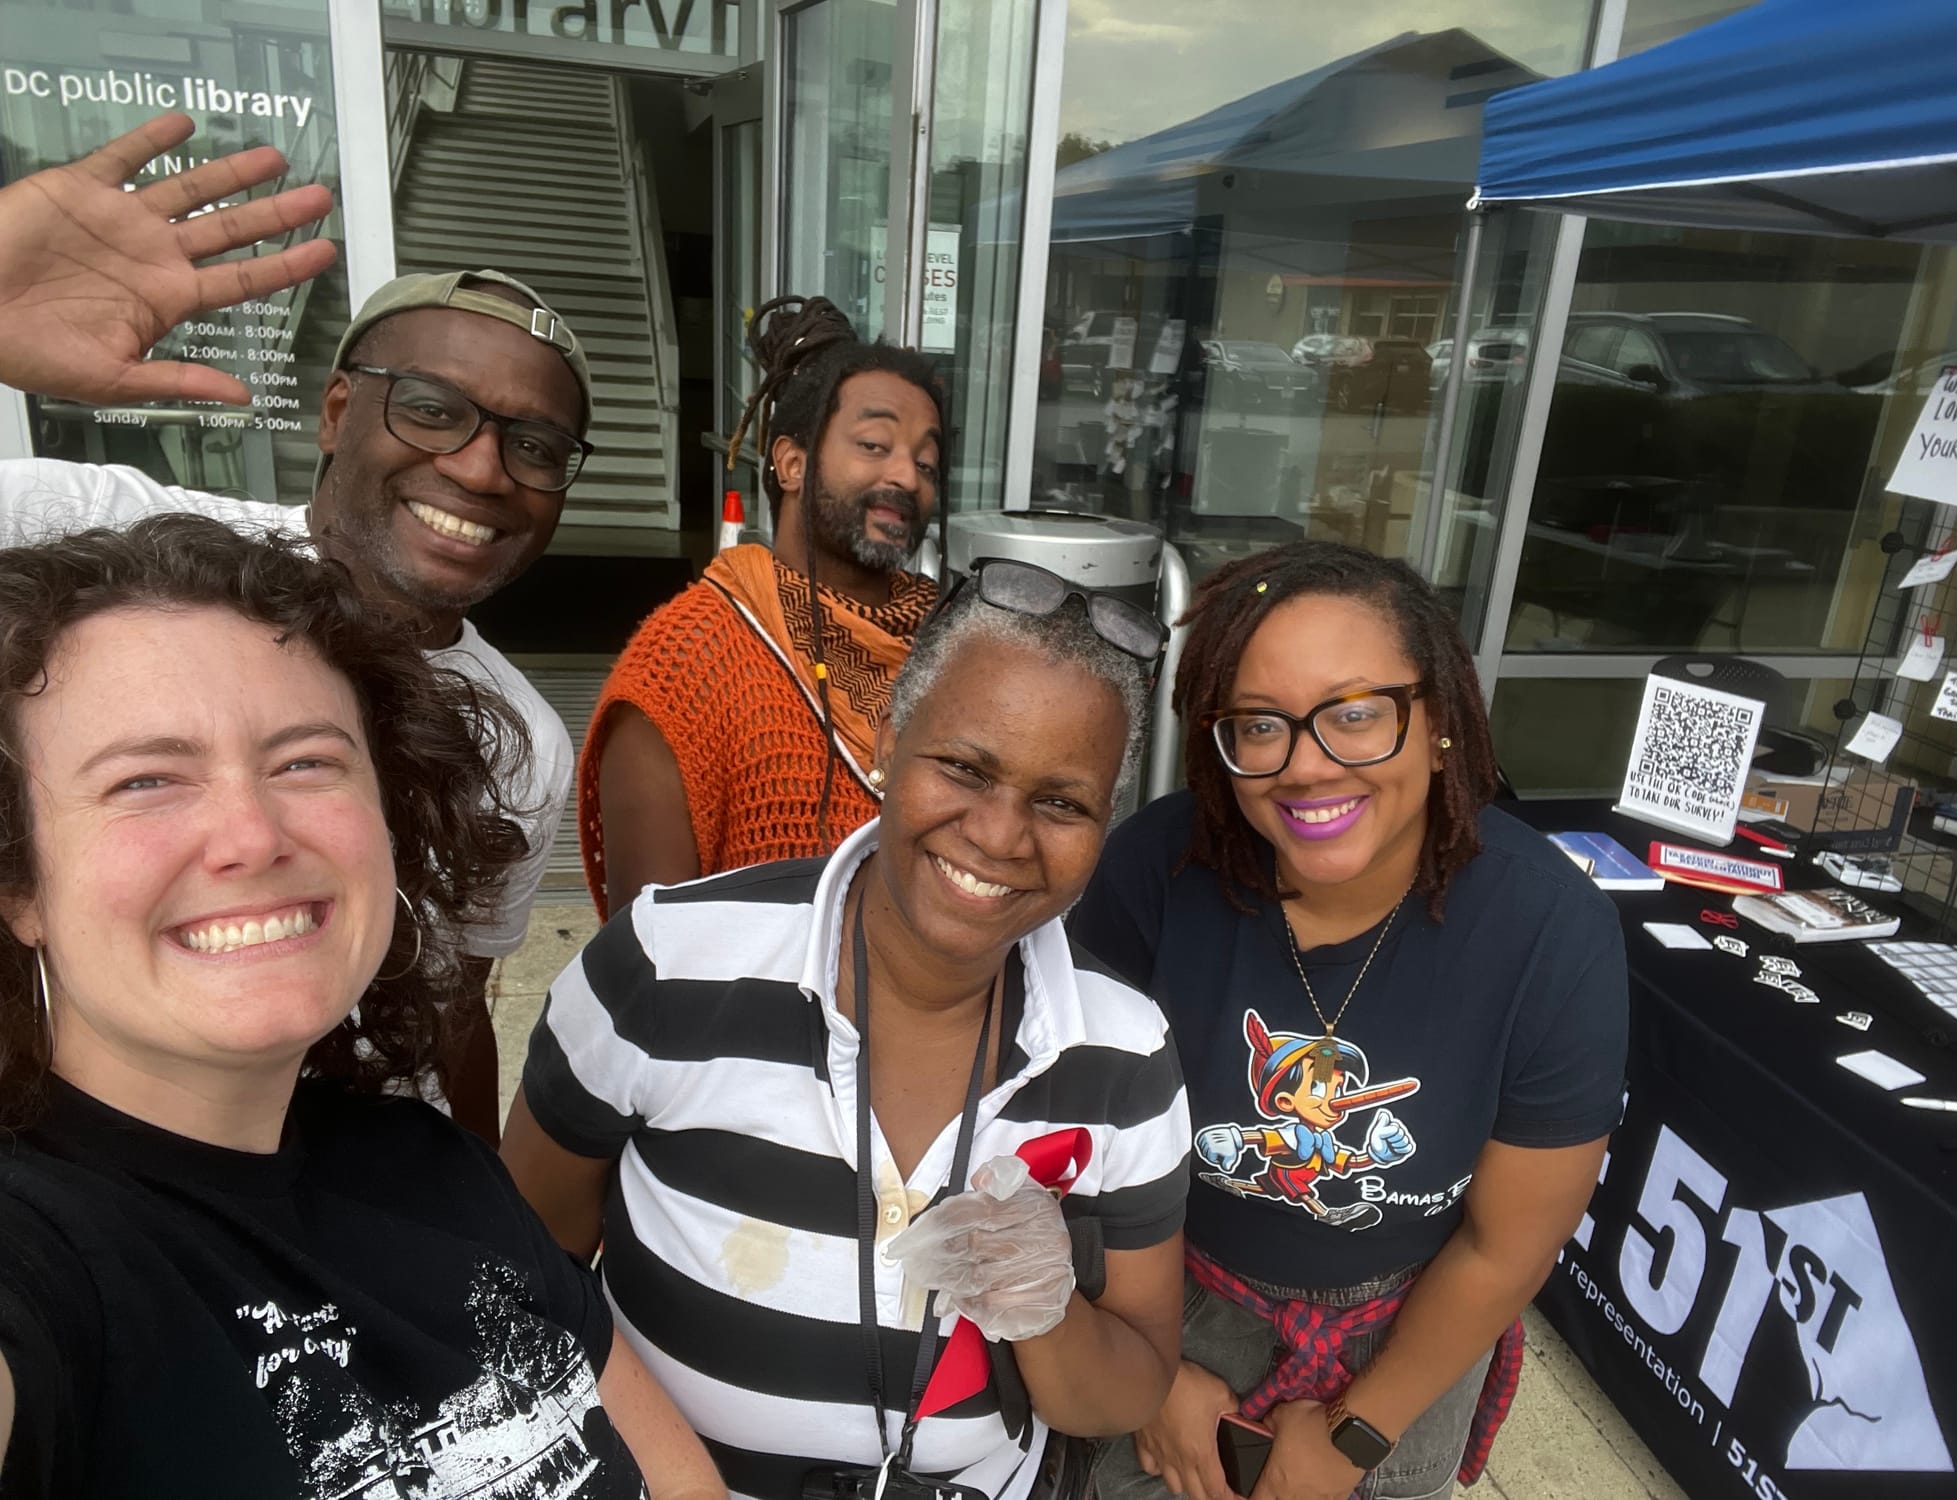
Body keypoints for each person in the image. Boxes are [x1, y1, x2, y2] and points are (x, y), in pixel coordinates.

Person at [0, 514, 723, 1500]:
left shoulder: (432, 1168)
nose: (252, 835)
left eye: (304, 761)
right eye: (146, 780)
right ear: (20, 884)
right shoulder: (41, 1263)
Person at [501, 570, 1191, 1500]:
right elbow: (520, 1279)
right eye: (965, 768)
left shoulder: (1125, 1055)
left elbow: (1126, 1393)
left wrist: (1047, 1310)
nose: (997, 833)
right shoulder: (666, 969)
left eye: (1062, 802)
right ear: (889, 745)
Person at [0, 115, 588, 1143]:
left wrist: (478, 1202)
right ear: (336, 412)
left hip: (334, 1181)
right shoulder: (105, 534)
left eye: (533, 445)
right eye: (436, 410)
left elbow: (455, 998)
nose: (483, 470)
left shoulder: (525, 740)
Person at [1068, 540, 1627, 1500]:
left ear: (1440, 718)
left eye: (1358, 715)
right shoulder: (1153, 875)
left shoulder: (1548, 930)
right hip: (1165, 1288)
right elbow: (1061, 1133)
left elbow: (1506, 1246)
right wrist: (1145, 1369)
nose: (1307, 768)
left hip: (1409, 1325)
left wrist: (1358, 1433)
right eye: (1258, 726)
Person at [580, 295, 946, 916]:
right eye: (875, 445)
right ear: (792, 462)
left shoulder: (957, 645)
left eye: (928, 462)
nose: (908, 478)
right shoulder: (686, 663)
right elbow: (648, 962)